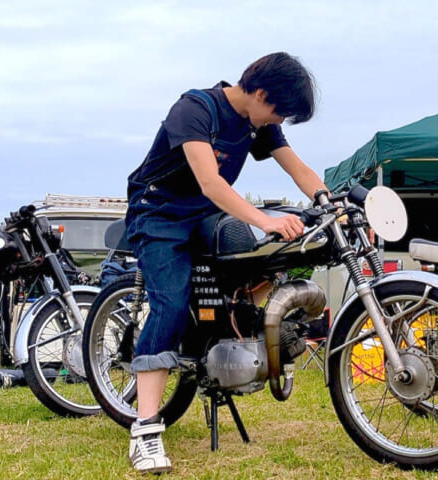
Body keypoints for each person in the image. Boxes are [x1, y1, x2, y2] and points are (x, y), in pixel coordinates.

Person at [124, 52, 328, 473]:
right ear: (258, 91)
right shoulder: (195, 109)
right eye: (278, 110)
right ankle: (144, 429)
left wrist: (328, 203)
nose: (278, 121)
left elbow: (298, 168)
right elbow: (209, 181)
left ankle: (230, 339)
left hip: (204, 213)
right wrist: (264, 219)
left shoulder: (261, 123)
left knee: (261, 258)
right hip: (158, 211)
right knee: (172, 302)